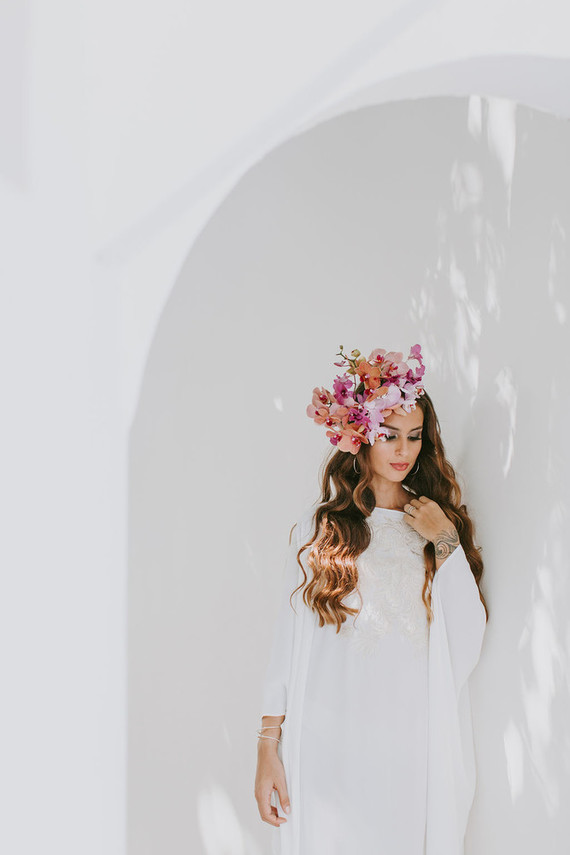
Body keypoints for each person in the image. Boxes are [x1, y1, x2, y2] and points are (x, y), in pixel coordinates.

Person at [254, 343, 488, 855]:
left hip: (408, 743)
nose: (402, 451)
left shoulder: (432, 523)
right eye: (388, 435)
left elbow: (467, 639)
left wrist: (445, 539)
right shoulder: (322, 528)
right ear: (360, 435)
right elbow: (287, 644)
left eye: (413, 437)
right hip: (327, 741)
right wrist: (268, 748)